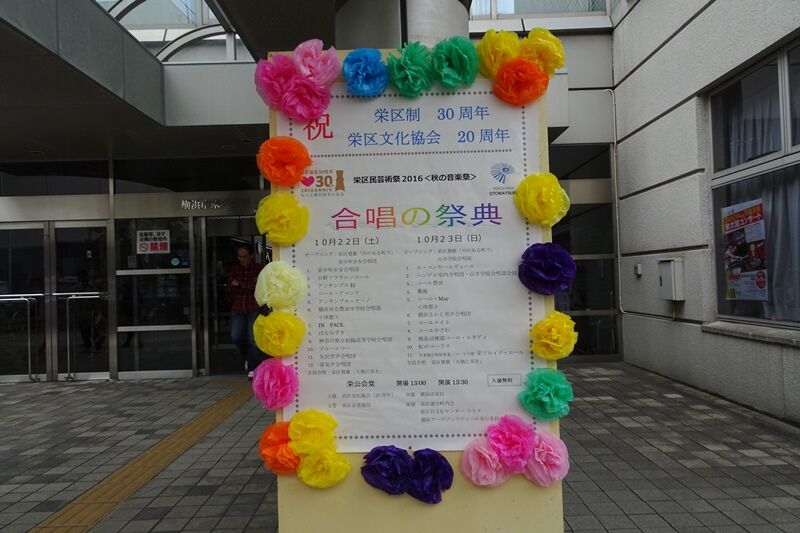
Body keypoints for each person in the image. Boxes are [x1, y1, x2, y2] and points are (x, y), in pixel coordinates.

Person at [227, 243, 264, 379]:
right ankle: (248, 358)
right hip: (238, 307)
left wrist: (240, 284)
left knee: (252, 338)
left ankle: (253, 367)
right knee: (236, 336)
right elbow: (231, 287)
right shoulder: (235, 269)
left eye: (244, 256)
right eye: (240, 256)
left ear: (251, 256)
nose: (242, 259)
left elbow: (258, 287)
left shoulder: (258, 269)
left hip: (253, 307)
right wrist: (247, 286)